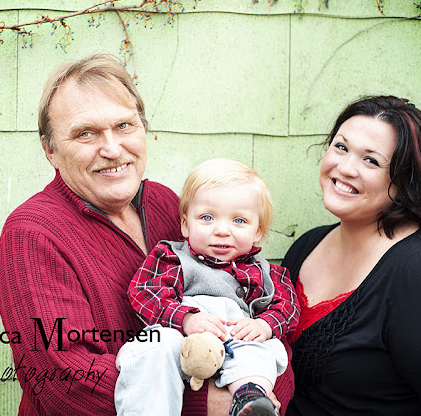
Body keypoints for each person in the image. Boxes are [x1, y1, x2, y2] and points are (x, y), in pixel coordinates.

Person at [0, 54, 295, 415]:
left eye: (124, 125)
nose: (111, 149)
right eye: (85, 133)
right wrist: (212, 404)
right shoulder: (32, 234)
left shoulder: (167, 204)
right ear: (50, 151)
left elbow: (266, 325)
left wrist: (258, 387)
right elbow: (64, 381)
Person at [282, 96, 421, 415]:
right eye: (341, 147)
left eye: (371, 161)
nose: (345, 168)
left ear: (405, 182)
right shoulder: (306, 247)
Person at [116, 158, 300, 416]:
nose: (222, 230)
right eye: (207, 217)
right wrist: (187, 319)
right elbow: (145, 293)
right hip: (183, 343)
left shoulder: (267, 273)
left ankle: (249, 398)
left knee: (262, 348)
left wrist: (264, 325)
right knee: (154, 345)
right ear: (185, 224)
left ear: (257, 231)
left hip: (235, 341)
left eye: (239, 221)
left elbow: (288, 307)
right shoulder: (172, 258)